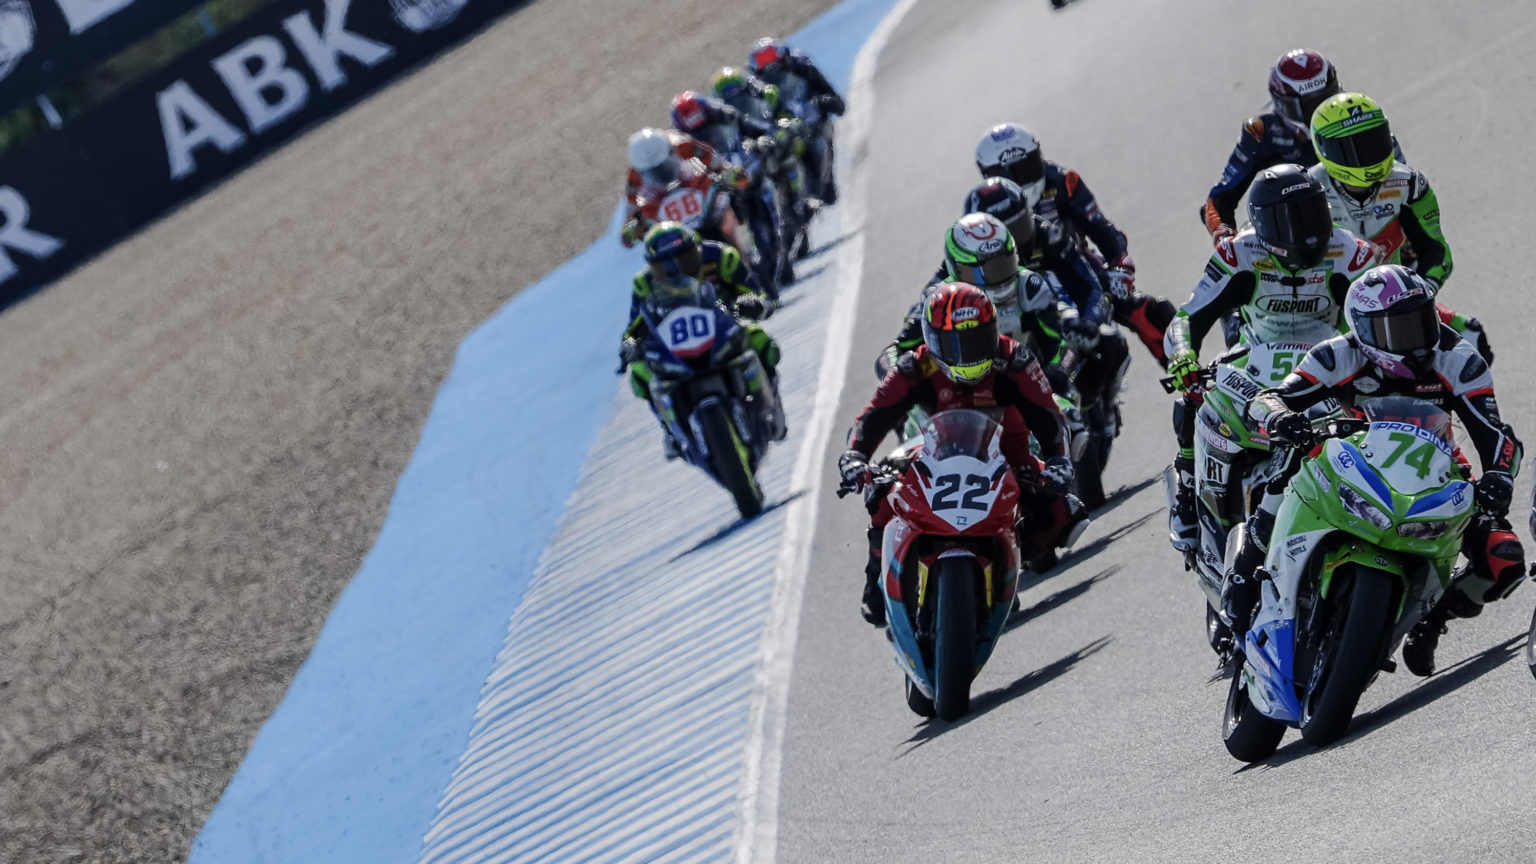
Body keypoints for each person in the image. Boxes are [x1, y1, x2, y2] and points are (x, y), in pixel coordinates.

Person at [1222, 265, 1524, 676]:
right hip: (1349, 457)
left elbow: (1495, 433)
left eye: (1422, 319)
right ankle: (1245, 572)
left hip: (1433, 468)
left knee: (1504, 557)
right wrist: (1279, 416)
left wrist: (1498, 477)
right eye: (1397, 329)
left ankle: (1432, 617)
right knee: (1287, 464)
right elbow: (1271, 398)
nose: (1416, 339)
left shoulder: (1460, 360)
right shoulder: (1336, 354)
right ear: (1363, 329)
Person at [836, 283, 1087, 626]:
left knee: (1063, 511)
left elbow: (1048, 416)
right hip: (934, 453)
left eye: (976, 339)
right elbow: (874, 414)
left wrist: (1058, 460)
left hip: (1008, 456)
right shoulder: (917, 366)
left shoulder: (1014, 359)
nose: (967, 353)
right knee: (879, 493)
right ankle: (876, 580)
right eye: (955, 344)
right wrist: (855, 455)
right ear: (932, 339)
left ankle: (1007, 559)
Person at [1163, 164, 1381, 551]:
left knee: (1380, 408)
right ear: (1262, 225)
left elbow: (1380, 318)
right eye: (1290, 220)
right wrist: (1182, 355)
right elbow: (1188, 316)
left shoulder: (1352, 253)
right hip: (1253, 358)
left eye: (1313, 213)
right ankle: (1189, 488)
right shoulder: (1237, 253)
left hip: (1327, 363)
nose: (1305, 231)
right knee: (1193, 400)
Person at [974, 122, 1176, 366]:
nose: (1022, 180)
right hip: (1016, 279)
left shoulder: (1062, 181)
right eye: (1011, 174)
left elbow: (1100, 226)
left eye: (1026, 167)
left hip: (1073, 262)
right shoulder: (981, 206)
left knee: (1151, 311)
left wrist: (1120, 264)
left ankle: (1186, 374)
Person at [619, 223, 778, 458]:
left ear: (697, 250)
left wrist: (754, 303)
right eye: (665, 266)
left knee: (759, 338)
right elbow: (633, 327)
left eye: (683, 259)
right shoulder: (644, 283)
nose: (676, 271)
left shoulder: (722, 257)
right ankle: (670, 428)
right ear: (652, 267)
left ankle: (772, 401)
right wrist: (629, 344)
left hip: (724, 327)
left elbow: (757, 293)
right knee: (639, 373)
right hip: (674, 345)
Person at [1200, 49, 1346, 244]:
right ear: (1283, 105)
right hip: (1295, 228)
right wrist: (1224, 234)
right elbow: (1219, 199)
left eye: (1326, 100)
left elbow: (1389, 161)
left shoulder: (1353, 112)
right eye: (1310, 106)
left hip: (1355, 211)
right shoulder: (1262, 131)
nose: (1320, 113)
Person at [746, 37, 845, 204]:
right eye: (767, 76)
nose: (775, 79)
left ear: (787, 62)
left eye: (779, 70)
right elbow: (749, 122)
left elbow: (836, 102)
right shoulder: (751, 88)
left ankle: (826, 181)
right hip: (778, 132)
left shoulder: (803, 66)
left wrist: (819, 103)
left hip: (810, 123)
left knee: (823, 136)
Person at [620, 127, 735, 247]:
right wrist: (630, 230)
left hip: (698, 190)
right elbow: (630, 208)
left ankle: (743, 246)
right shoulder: (635, 176)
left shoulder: (685, 145)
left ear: (672, 150)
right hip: (664, 209)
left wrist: (730, 173)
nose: (661, 174)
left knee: (730, 204)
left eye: (665, 165)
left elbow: (717, 163)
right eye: (652, 172)